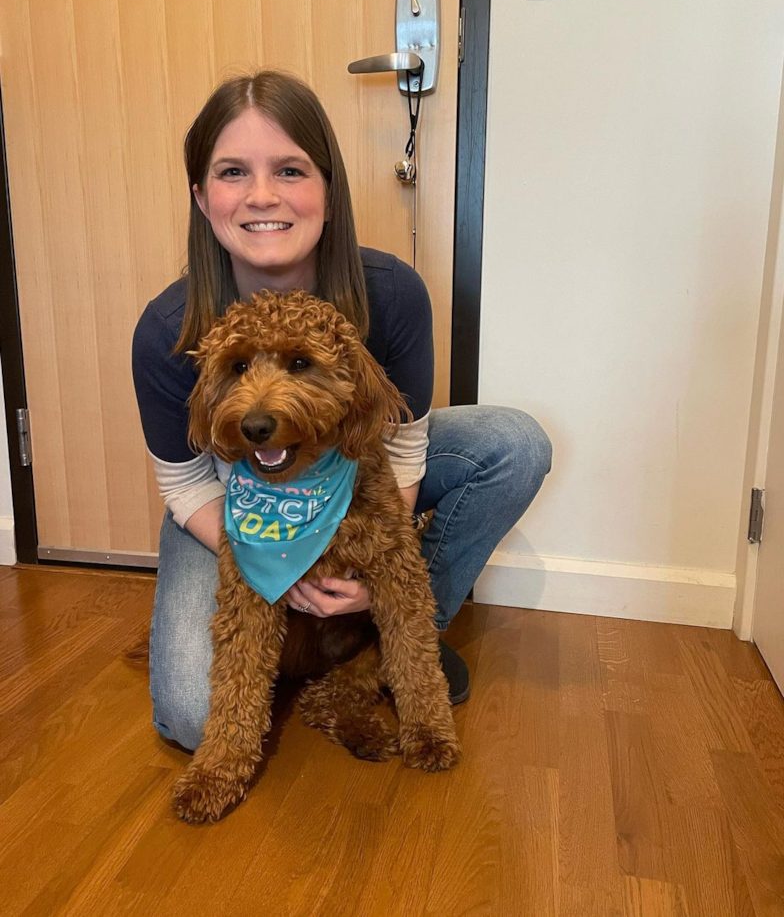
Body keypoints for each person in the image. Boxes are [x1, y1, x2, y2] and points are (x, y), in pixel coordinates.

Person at [132, 70, 552, 753]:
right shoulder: (167, 329)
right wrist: (281, 560)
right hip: (233, 499)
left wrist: (367, 573)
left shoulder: (391, 293)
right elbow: (184, 482)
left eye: (290, 170)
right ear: (201, 197)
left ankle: (396, 632)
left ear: (328, 189)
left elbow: (406, 448)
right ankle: (324, 643)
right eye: (233, 171)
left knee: (514, 444)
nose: (262, 195)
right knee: (187, 716)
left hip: (359, 469)